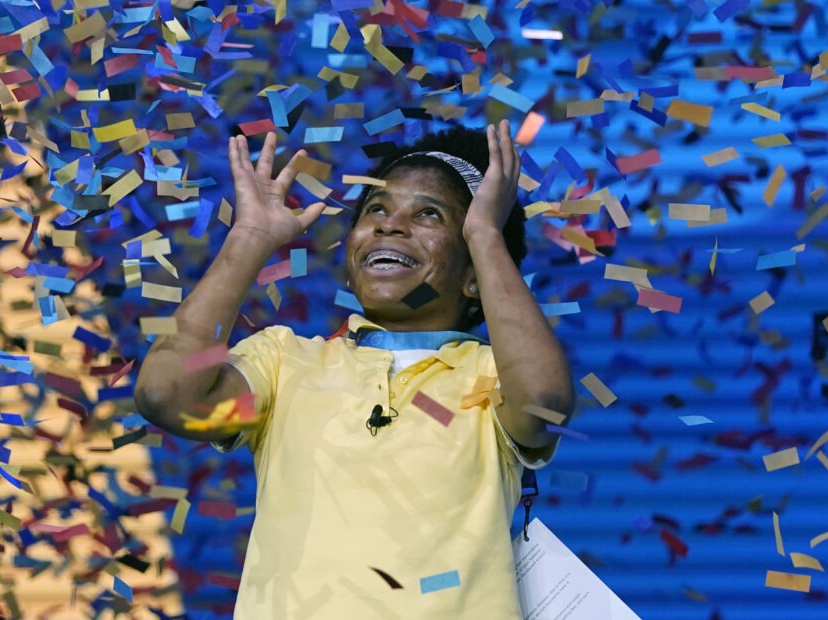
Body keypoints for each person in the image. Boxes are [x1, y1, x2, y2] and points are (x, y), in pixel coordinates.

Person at [135, 119, 575, 619]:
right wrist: (250, 237)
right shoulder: (284, 361)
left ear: (475, 274)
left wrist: (486, 234)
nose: (390, 225)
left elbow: (546, 405)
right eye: (375, 210)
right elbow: (166, 396)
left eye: (428, 214)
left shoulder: (494, 376)